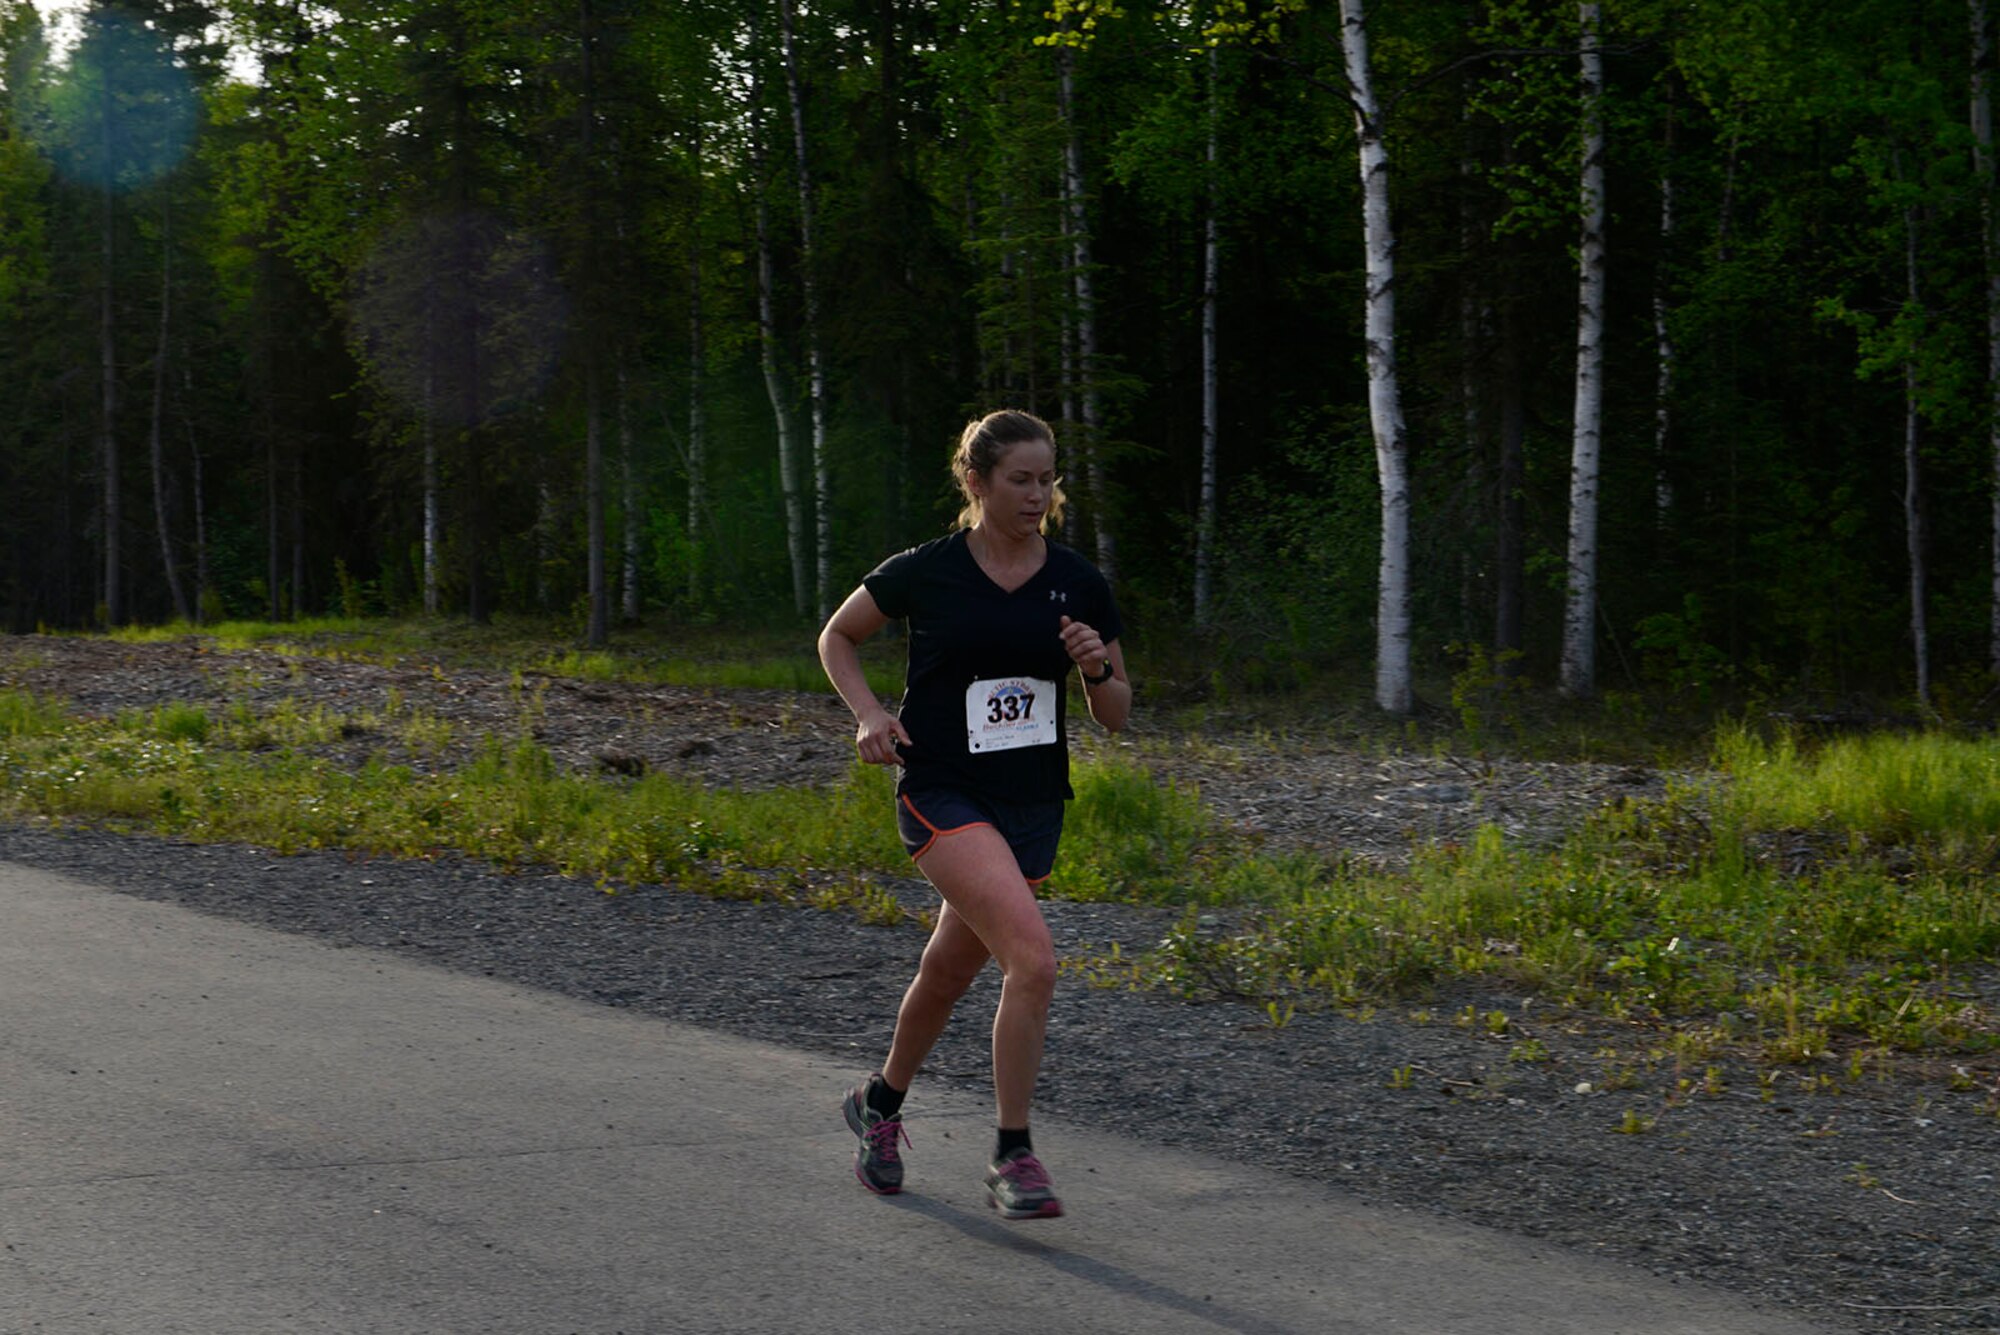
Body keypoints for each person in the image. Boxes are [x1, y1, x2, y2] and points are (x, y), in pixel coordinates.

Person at [817, 408, 1130, 1220]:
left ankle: (877, 1105)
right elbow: (838, 636)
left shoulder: (1076, 581)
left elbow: (1118, 713)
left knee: (952, 970)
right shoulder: (929, 569)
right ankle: (1012, 1155)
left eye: (1047, 479)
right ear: (977, 482)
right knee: (1035, 961)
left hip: (1030, 802)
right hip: (943, 788)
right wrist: (868, 713)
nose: (1038, 495)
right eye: (1020, 480)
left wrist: (1096, 669)